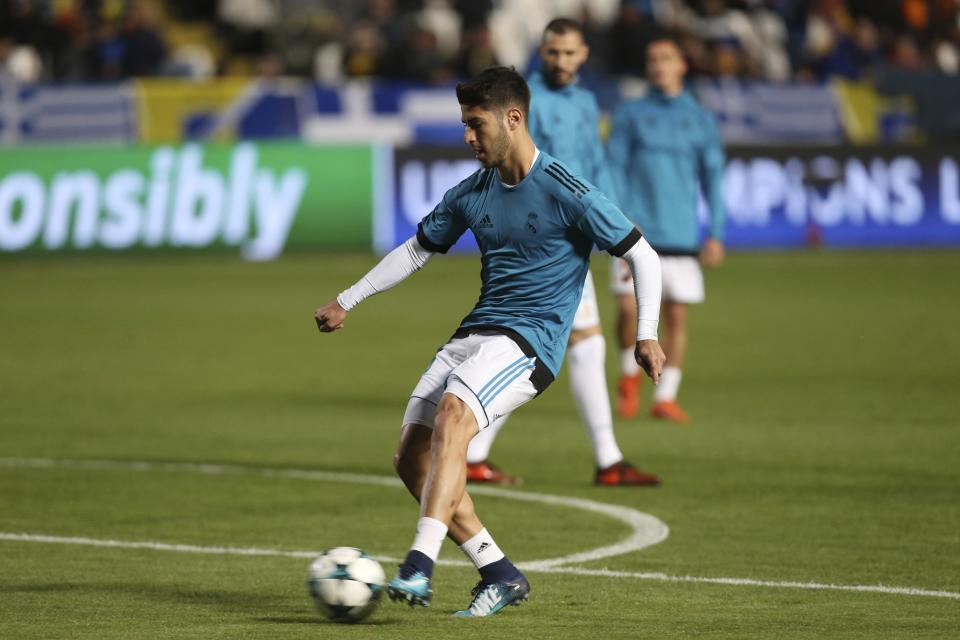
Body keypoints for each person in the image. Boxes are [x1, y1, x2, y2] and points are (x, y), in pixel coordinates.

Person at [314, 66, 665, 617]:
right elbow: (414, 251)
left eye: (476, 124)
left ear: (513, 118)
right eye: (464, 125)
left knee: (455, 415)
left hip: (530, 345)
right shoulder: (472, 193)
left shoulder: (567, 189)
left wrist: (645, 335)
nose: (467, 137)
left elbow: (641, 253)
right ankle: (499, 572)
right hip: (475, 333)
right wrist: (347, 299)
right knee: (411, 458)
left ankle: (419, 565)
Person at [465, 18, 661, 488]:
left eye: (570, 53)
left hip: (580, 228)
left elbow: (596, 163)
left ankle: (476, 452)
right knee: (579, 344)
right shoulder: (523, 102)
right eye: (553, 53)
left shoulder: (587, 101)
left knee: (554, 346)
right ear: (543, 52)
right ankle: (607, 460)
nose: (561, 62)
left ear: (584, 54)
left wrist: (616, 219)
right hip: (547, 236)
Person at [607, 35, 726, 424]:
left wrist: (716, 233)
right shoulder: (630, 114)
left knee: (676, 318)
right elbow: (614, 169)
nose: (659, 65)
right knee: (628, 310)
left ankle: (665, 397)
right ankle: (629, 378)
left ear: (682, 66)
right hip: (635, 232)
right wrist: (622, 219)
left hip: (682, 234)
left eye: (666, 58)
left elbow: (714, 178)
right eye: (652, 59)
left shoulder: (700, 118)